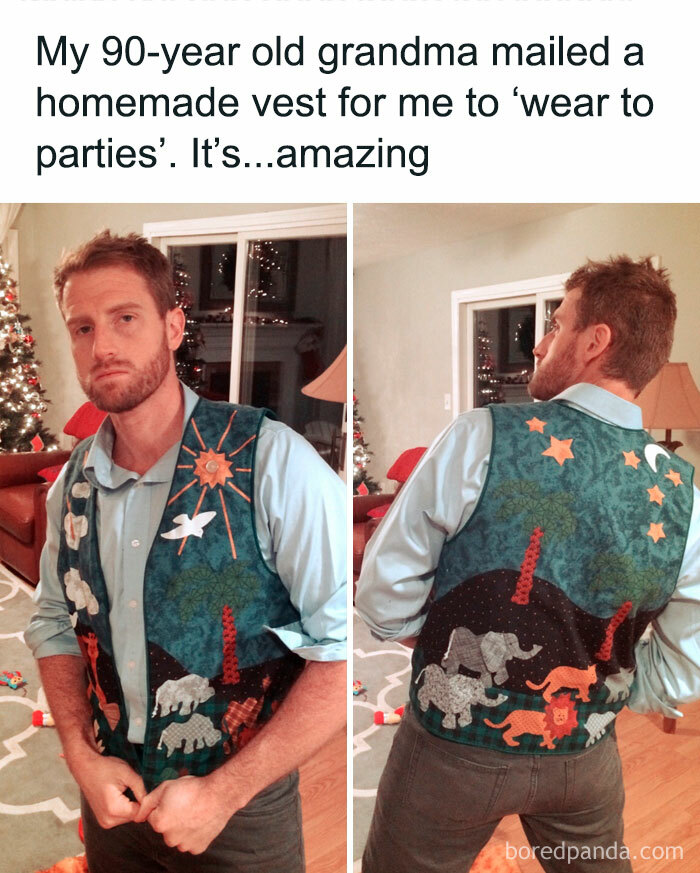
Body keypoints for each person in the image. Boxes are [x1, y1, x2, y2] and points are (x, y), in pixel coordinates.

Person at [355, 255, 700, 873]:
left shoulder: (479, 435)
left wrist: (429, 641)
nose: (541, 342)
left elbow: (383, 589)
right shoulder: (687, 495)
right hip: (586, 758)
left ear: (597, 341)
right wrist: (612, 696)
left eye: (557, 323)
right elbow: (688, 656)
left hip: (450, 755)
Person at [25, 231, 346, 873]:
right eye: (82, 328)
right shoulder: (72, 483)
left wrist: (224, 793)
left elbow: (340, 653)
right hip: (114, 797)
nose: (103, 346)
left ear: (173, 325)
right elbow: (54, 624)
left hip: (240, 809)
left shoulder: (274, 460)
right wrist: (82, 757)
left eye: (125, 318)